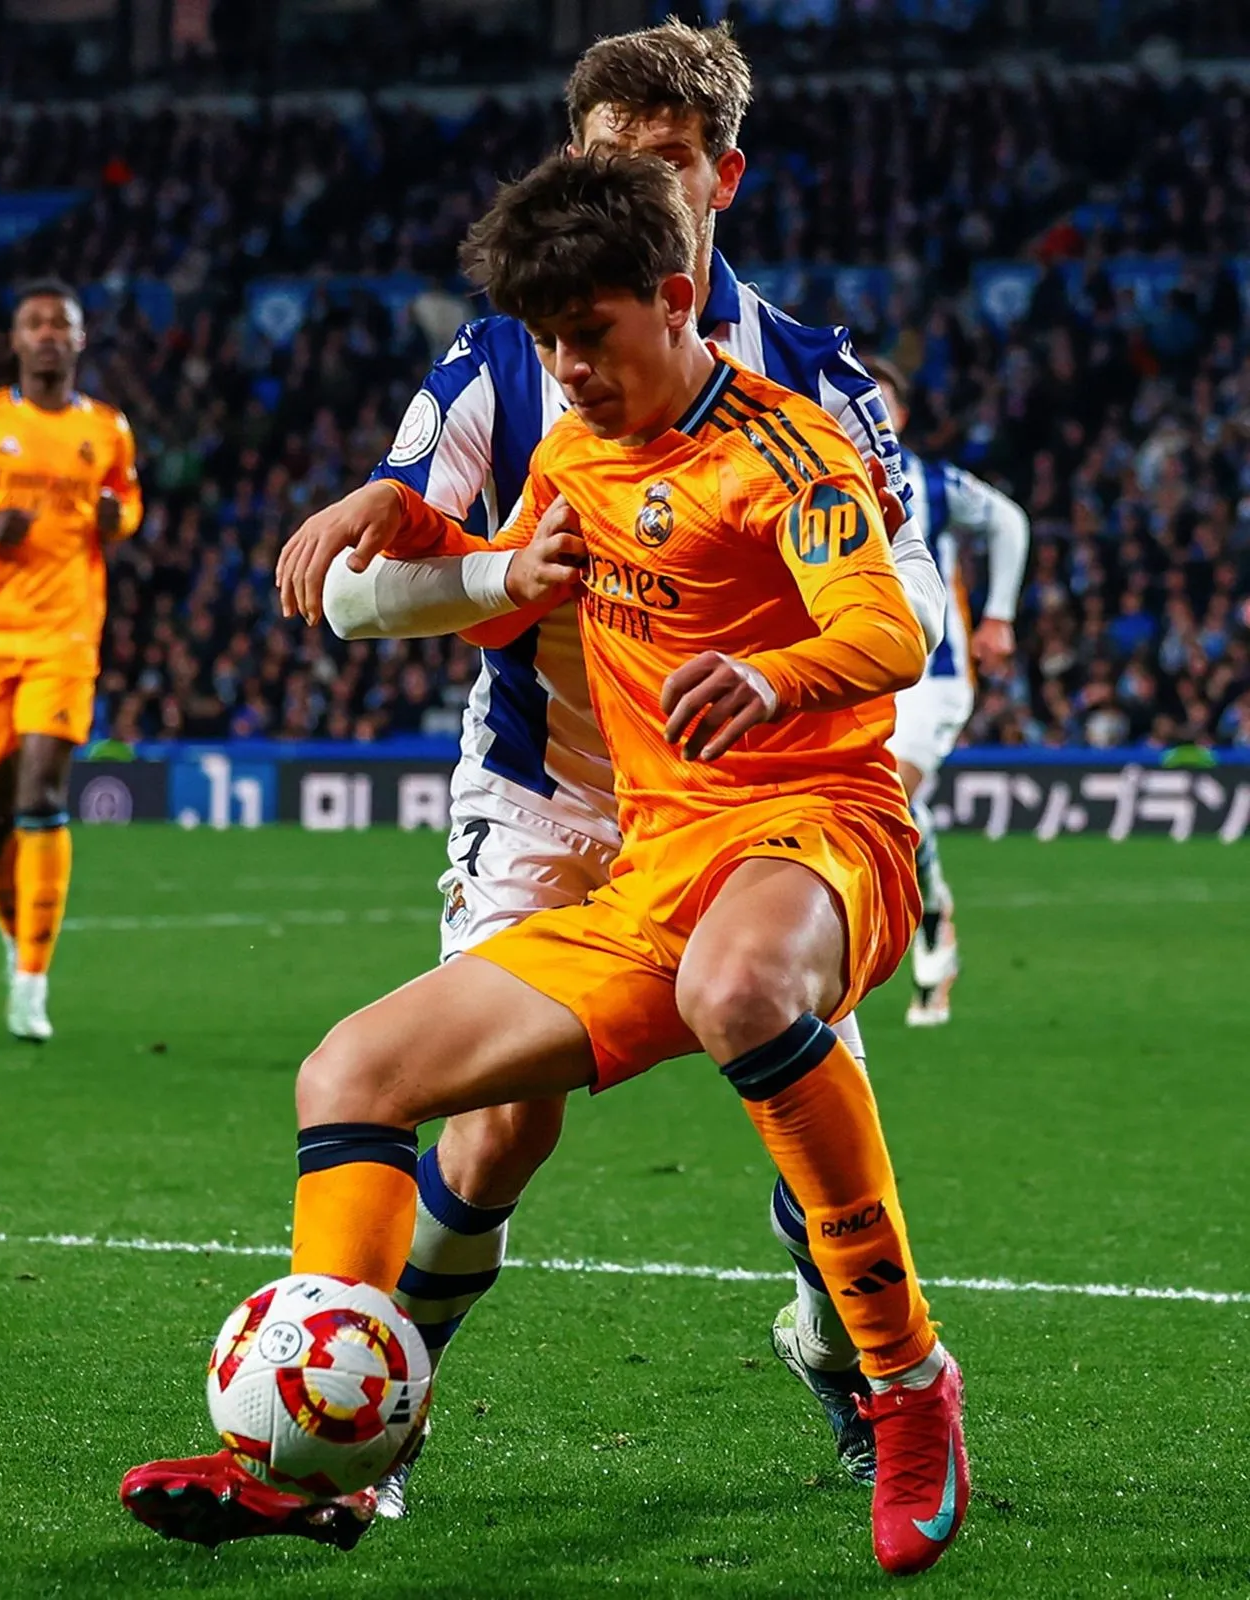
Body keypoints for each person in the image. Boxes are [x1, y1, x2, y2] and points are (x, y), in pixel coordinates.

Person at [123, 150, 970, 1579]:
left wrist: (771, 676)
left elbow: (888, 626)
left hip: (817, 827)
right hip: (653, 866)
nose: (569, 369)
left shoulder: (785, 449)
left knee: (738, 989)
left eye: (592, 333)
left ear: (676, 298)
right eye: (549, 341)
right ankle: (310, 1453)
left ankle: (906, 1383)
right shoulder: (573, 448)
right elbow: (515, 578)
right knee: (349, 1073)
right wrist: (401, 520)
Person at [0, 279, 142, 1040]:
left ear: (79, 339)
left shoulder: (107, 428)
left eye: (59, 324)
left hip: (66, 635)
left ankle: (32, 983)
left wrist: (117, 518)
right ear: (15, 340)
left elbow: (126, 503)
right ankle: (18, 939)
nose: (46, 334)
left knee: (42, 790)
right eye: (33, 323)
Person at [865, 357, 1029, 1026]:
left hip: (931, 674)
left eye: (881, 400)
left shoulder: (931, 480)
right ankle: (933, 908)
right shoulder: (812, 476)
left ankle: (923, 926)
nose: (867, 410)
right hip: (856, 671)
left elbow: (1009, 521)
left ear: (901, 417)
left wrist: (999, 616)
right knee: (884, 801)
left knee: (887, 790)